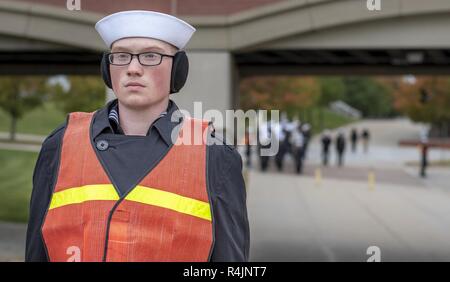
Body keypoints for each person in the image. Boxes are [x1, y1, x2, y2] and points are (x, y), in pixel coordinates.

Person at [25, 10, 249, 262]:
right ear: (107, 69)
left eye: (150, 56)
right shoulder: (60, 145)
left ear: (178, 69)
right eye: (121, 56)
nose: (133, 68)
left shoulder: (214, 156)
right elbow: (37, 251)